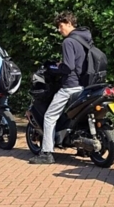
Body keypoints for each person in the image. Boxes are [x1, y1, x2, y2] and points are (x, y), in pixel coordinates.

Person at [29, 11, 93, 165]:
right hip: (83, 85)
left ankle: (47, 153)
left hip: (69, 86)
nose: (59, 30)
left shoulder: (68, 42)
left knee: (50, 117)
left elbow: (68, 67)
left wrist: (56, 67)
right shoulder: (85, 40)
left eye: (60, 26)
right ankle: (83, 148)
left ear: (69, 23)